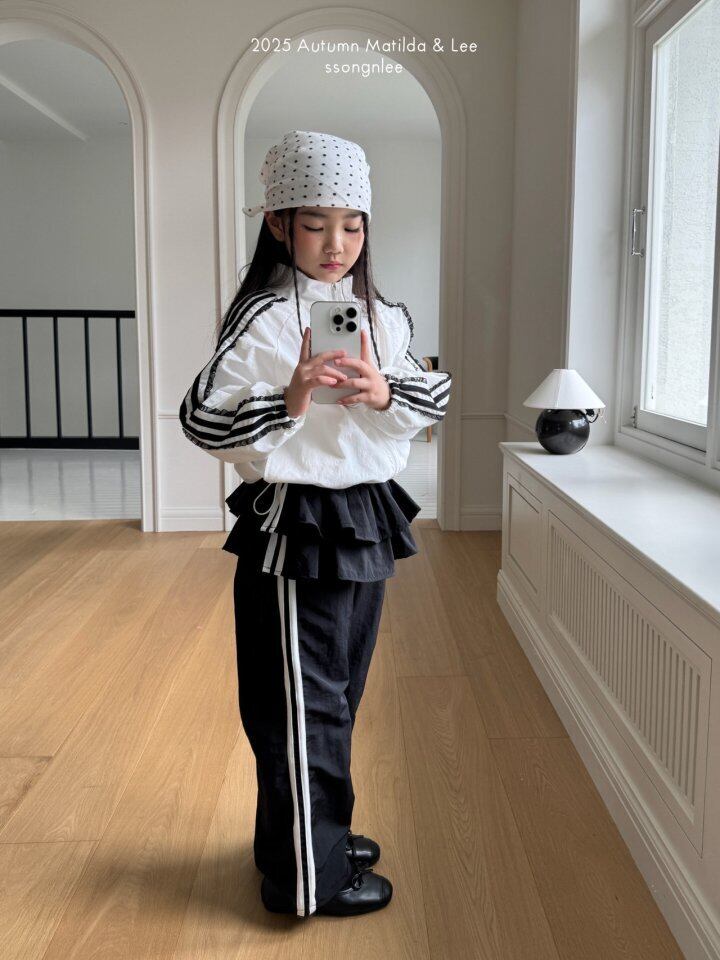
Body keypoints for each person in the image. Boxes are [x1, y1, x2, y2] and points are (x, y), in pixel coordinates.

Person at [178, 130, 452, 919]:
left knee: (336, 692)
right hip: (298, 520)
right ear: (277, 224)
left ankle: (305, 840)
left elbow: (430, 399)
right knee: (303, 705)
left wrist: (384, 392)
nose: (337, 244)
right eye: (316, 224)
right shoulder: (264, 319)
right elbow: (201, 417)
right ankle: (309, 877)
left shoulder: (382, 316)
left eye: (353, 225)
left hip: (365, 512)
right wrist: (291, 398)